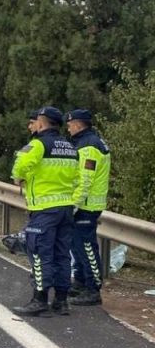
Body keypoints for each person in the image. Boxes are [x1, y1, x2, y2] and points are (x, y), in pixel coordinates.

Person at [11, 106, 79, 317]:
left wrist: (18, 176)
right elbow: (77, 177)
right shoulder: (69, 146)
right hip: (65, 208)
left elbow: (20, 166)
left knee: (40, 253)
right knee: (62, 255)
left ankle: (39, 300)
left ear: (42, 122)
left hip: (43, 209)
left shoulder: (38, 144)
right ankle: (61, 301)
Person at [66, 109, 110, 307]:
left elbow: (85, 180)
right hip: (85, 203)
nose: (68, 128)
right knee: (77, 246)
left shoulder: (89, 146)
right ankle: (81, 283)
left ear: (78, 124)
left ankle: (93, 289)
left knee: (86, 247)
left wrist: (73, 205)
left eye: (70, 124)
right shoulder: (87, 142)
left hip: (87, 205)